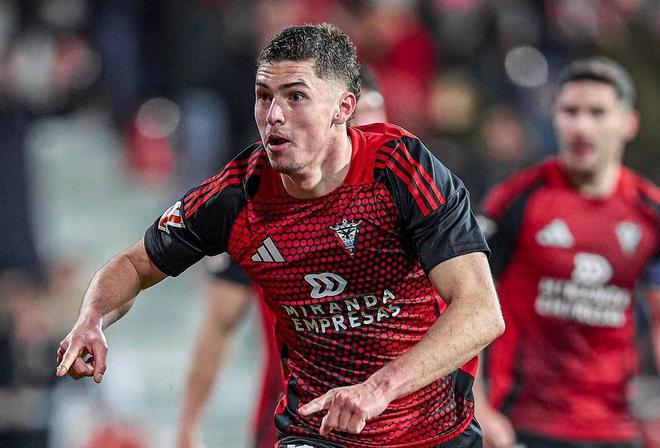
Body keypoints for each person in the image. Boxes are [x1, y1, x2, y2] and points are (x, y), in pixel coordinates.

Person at [56, 24, 504, 447]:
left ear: (343, 109)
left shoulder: (402, 170)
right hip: (317, 430)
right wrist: (91, 319)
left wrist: (378, 388)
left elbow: (482, 312)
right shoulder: (237, 196)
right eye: (263, 96)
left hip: (434, 431)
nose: (273, 115)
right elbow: (135, 265)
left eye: (296, 97)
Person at [175, 67, 388, 448]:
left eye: (378, 118)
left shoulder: (417, 205)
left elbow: (461, 312)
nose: (372, 133)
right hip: (294, 423)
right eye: (360, 121)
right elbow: (220, 321)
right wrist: (189, 424)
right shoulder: (260, 212)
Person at [474, 57, 660, 448]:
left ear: (629, 123)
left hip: (617, 427)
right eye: (570, 112)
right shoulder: (517, 200)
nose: (581, 126)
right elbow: (464, 302)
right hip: (523, 424)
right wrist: (478, 408)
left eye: (597, 113)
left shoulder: (649, 211)